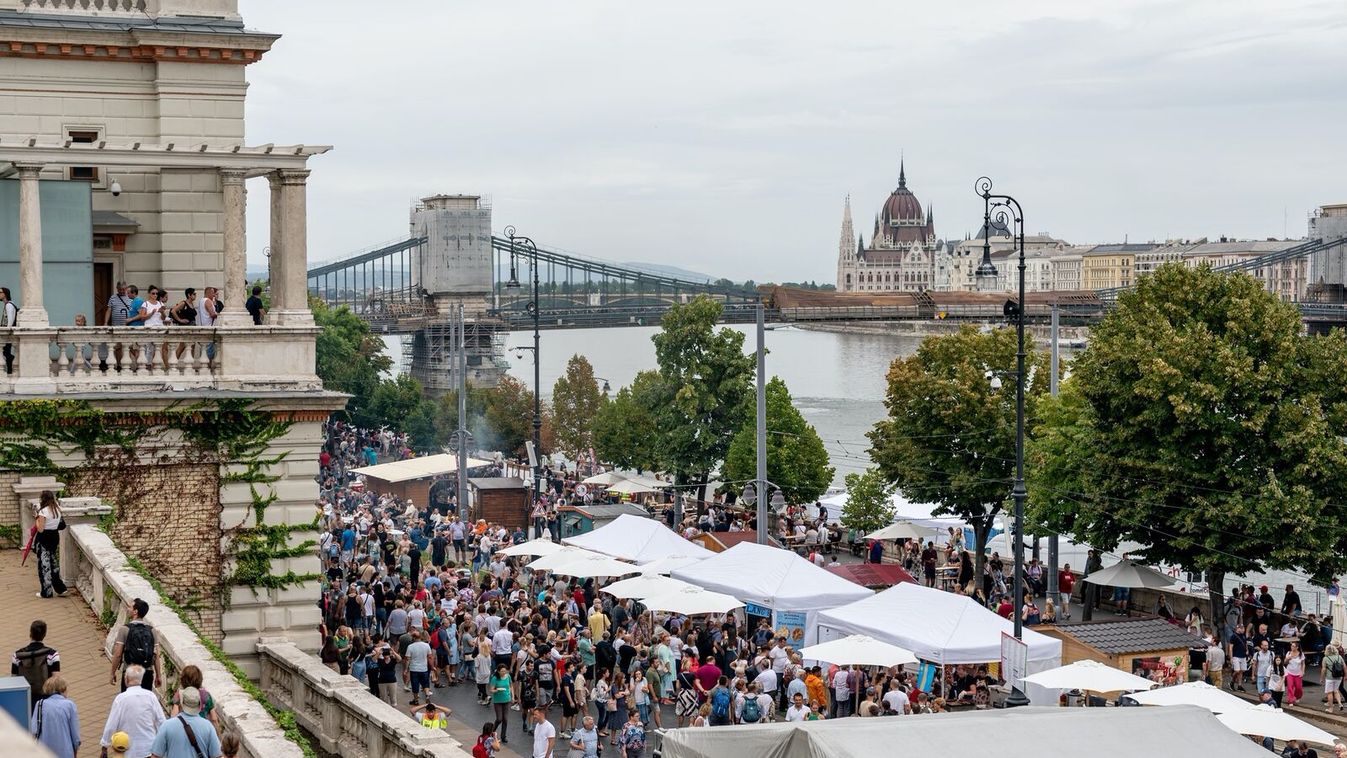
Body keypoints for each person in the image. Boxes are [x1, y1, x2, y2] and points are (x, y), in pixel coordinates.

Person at [101, 665, 166, 758]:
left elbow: (111, 725)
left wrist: (104, 746)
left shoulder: (120, 699)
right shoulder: (151, 696)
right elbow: (161, 722)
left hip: (126, 749)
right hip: (148, 749)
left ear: (126, 679)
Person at [148, 686, 220, 758]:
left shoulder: (167, 725)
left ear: (182, 703)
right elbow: (216, 755)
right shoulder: (208, 727)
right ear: (199, 704)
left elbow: (156, 756)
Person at [110, 598, 163, 691]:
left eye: (130, 607)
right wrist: (158, 676)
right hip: (147, 672)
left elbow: (118, 654)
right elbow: (156, 656)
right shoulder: (152, 630)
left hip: (130, 672)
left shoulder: (125, 629)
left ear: (135, 611)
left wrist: (112, 673)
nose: (128, 609)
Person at [11, 619, 60, 710]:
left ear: (30, 633)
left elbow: (14, 679)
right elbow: (56, 679)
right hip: (46, 699)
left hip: (25, 698)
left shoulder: (17, 655)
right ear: (44, 635)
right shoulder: (52, 654)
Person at [31, 675, 80, 758]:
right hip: (65, 751)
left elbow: (34, 730)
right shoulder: (70, 705)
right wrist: (76, 748)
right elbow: (75, 734)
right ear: (63, 689)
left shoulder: (40, 704)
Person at [33, 490, 69, 599]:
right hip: (54, 538)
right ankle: (61, 589)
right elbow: (61, 525)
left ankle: (47, 592)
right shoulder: (57, 510)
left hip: (44, 539)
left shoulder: (43, 512)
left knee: (44, 566)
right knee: (54, 565)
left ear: (43, 499)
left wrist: (36, 519)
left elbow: (40, 529)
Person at [490, 664, 513, 744]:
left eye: (505, 671)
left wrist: (512, 696)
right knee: (499, 719)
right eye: (502, 671)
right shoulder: (495, 678)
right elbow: (491, 690)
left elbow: (511, 686)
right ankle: (491, 732)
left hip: (507, 699)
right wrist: (497, 690)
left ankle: (503, 736)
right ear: (498, 671)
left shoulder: (508, 676)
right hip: (498, 700)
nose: (504, 672)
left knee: (505, 719)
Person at [1322, 645, 1344, 713]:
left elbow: (1323, 669)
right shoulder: (1339, 657)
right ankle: (1340, 704)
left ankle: (1331, 708)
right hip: (1339, 677)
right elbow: (1343, 665)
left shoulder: (1325, 658)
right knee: (1336, 691)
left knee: (1330, 693)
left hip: (1330, 677)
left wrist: (1322, 678)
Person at [1, 286, 18, 373]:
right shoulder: (8, 304)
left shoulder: (9, 305)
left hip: (7, 334)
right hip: (6, 333)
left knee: (6, 352)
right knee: (6, 352)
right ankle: (10, 370)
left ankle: (10, 370)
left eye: (0, 292)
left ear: (5, 294)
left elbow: (10, 321)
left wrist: (6, 332)